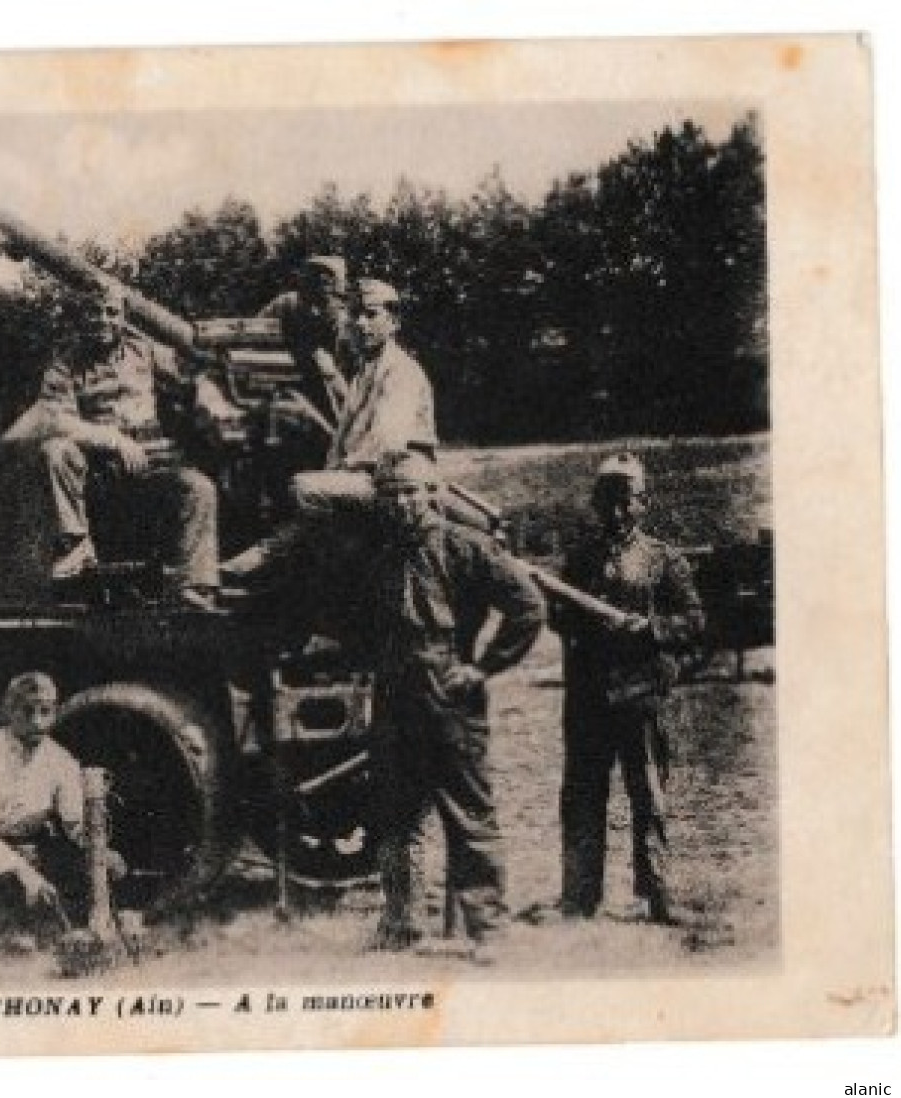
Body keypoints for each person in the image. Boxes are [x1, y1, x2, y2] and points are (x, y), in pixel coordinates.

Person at [360, 449, 544, 961]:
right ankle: (401, 924)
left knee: (469, 814)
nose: (402, 502)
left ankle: (487, 930)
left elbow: (529, 607)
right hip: (394, 701)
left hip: (450, 701)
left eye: (412, 491)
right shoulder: (375, 556)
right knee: (395, 815)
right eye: (391, 493)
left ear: (433, 493)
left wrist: (482, 667)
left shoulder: (466, 548)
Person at [0, 290, 220, 608]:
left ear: (123, 318)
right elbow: (58, 419)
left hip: (150, 458)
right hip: (96, 467)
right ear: (81, 319)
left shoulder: (146, 354)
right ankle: (75, 545)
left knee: (198, 488)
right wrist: (113, 440)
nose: (103, 320)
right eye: (94, 312)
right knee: (56, 450)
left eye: (111, 312)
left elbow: (196, 374)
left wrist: (206, 398)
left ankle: (194, 586)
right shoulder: (65, 365)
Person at [549, 453, 705, 925]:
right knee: (582, 797)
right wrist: (587, 623)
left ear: (642, 504)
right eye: (608, 503)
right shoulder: (579, 561)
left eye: (627, 503)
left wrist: (650, 629)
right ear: (596, 505)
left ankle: (656, 895)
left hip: (642, 698)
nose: (617, 514)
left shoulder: (663, 560)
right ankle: (578, 898)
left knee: (650, 796)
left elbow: (695, 621)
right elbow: (557, 615)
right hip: (590, 700)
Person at [224, 278, 439, 581]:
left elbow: (385, 444)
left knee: (304, 488)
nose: (361, 323)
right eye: (355, 315)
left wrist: (339, 469)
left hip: (396, 481)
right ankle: (265, 562)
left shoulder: (400, 372)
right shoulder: (367, 370)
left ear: (394, 321)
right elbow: (350, 428)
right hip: (370, 475)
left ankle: (274, 563)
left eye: (371, 314)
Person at [0, 672, 110, 951]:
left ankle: (30, 926)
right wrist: (23, 873)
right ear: (9, 711)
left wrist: (97, 846)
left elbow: (73, 822)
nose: (37, 722)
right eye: (27, 711)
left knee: (78, 868)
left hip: (31, 849)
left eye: (45, 712)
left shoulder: (60, 759)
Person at [258, 255, 350, 427]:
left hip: (324, 374)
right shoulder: (286, 304)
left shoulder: (340, 317)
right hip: (285, 370)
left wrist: (331, 370)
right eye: (312, 284)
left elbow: (342, 361)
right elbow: (257, 330)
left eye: (326, 286)